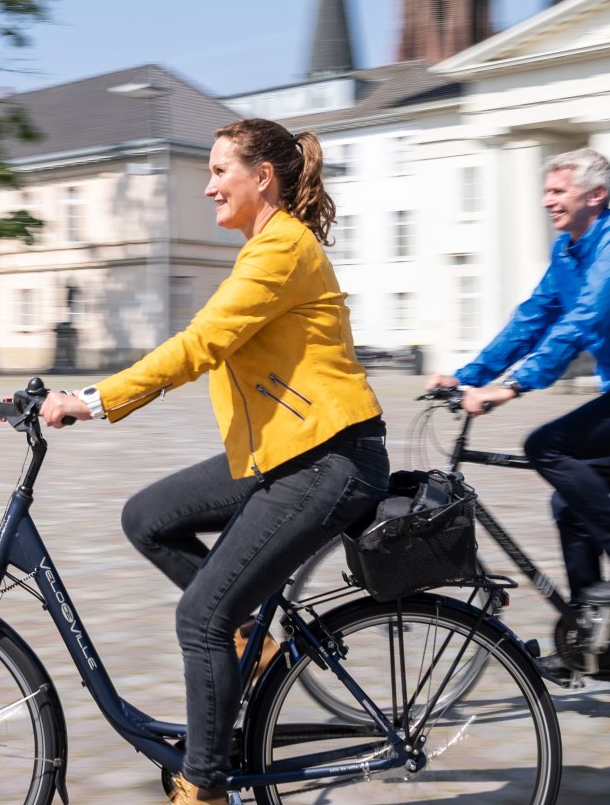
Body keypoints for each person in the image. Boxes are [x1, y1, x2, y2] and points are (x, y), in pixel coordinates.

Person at [40, 118, 388, 805]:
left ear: (263, 178)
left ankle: (204, 787)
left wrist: (90, 400)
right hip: (280, 453)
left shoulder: (281, 249)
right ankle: (250, 650)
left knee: (200, 619)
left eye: (220, 171)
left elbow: (199, 344)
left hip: (324, 460)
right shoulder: (266, 247)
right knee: (148, 518)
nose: (208, 187)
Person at [426, 147, 610, 632]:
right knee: (571, 503)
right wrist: (469, 376)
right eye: (546, 191)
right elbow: (534, 317)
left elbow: (586, 320)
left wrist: (514, 386)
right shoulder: (568, 251)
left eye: (558, 191)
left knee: (547, 446)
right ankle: (596, 631)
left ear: (596, 194)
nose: (546, 201)